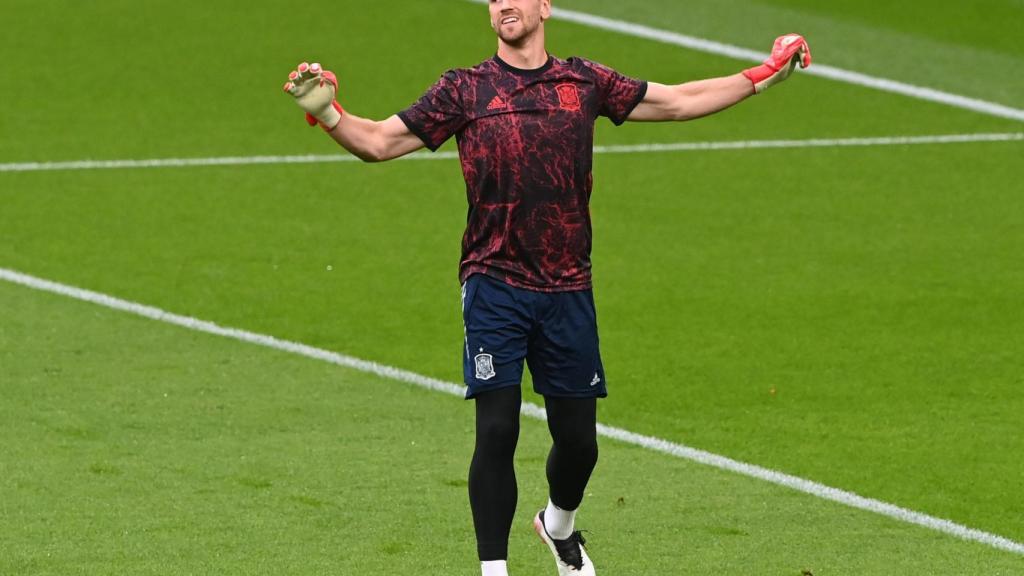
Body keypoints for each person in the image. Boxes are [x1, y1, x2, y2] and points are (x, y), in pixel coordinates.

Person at [283, 1, 810, 574]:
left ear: (544, 6)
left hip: (567, 287)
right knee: (498, 428)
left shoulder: (582, 82)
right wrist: (330, 114)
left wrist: (760, 76)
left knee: (580, 443)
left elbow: (678, 100)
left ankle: (557, 525)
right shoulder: (465, 90)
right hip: (494, 283)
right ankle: (494, 569)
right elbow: (379, 142)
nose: (504, 3)